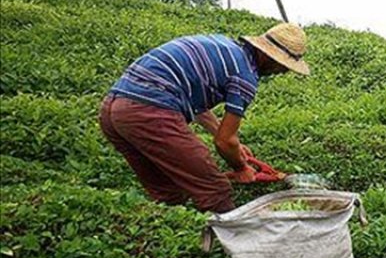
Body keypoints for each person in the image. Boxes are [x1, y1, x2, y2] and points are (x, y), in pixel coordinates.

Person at [98, 23, 310, 213]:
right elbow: (224, 142)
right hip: (148, 111)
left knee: (167, 191)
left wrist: (229, 140)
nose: (282, 72)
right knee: (215, 189)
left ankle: (176, 238)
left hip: (113, 111)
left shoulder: (224, 47)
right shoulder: (245, 75)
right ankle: (231, 246)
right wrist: (241, 168)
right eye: (283, 65)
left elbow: (199, 109)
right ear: (268, 56)